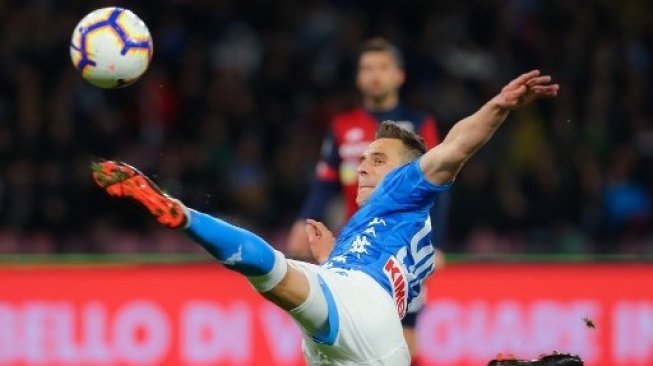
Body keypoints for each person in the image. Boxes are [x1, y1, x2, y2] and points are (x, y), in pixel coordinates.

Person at [92, 70, 558, 365]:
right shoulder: (395, 219)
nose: (362, 164)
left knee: (272, 269)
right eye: (362, 158)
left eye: (377, 158)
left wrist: (500, 105)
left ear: (405, 168)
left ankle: (182, 214)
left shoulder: (406, 186)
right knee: (294, 278)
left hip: (358, 309)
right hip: (375, 338)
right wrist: (336, 259)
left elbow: (455, 147)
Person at [287, 38, 443, 363]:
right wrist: (304, 221)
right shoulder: (342, 126)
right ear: (358, 77)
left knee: (407, 340)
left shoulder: (419, 126)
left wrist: (436, 242)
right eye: (367, 68)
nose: (374, 75)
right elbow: (325, 182)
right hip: (356, 247)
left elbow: (440, 189)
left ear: (399, 76)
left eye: (382, 68)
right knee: (336, 333)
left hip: (402, 247)